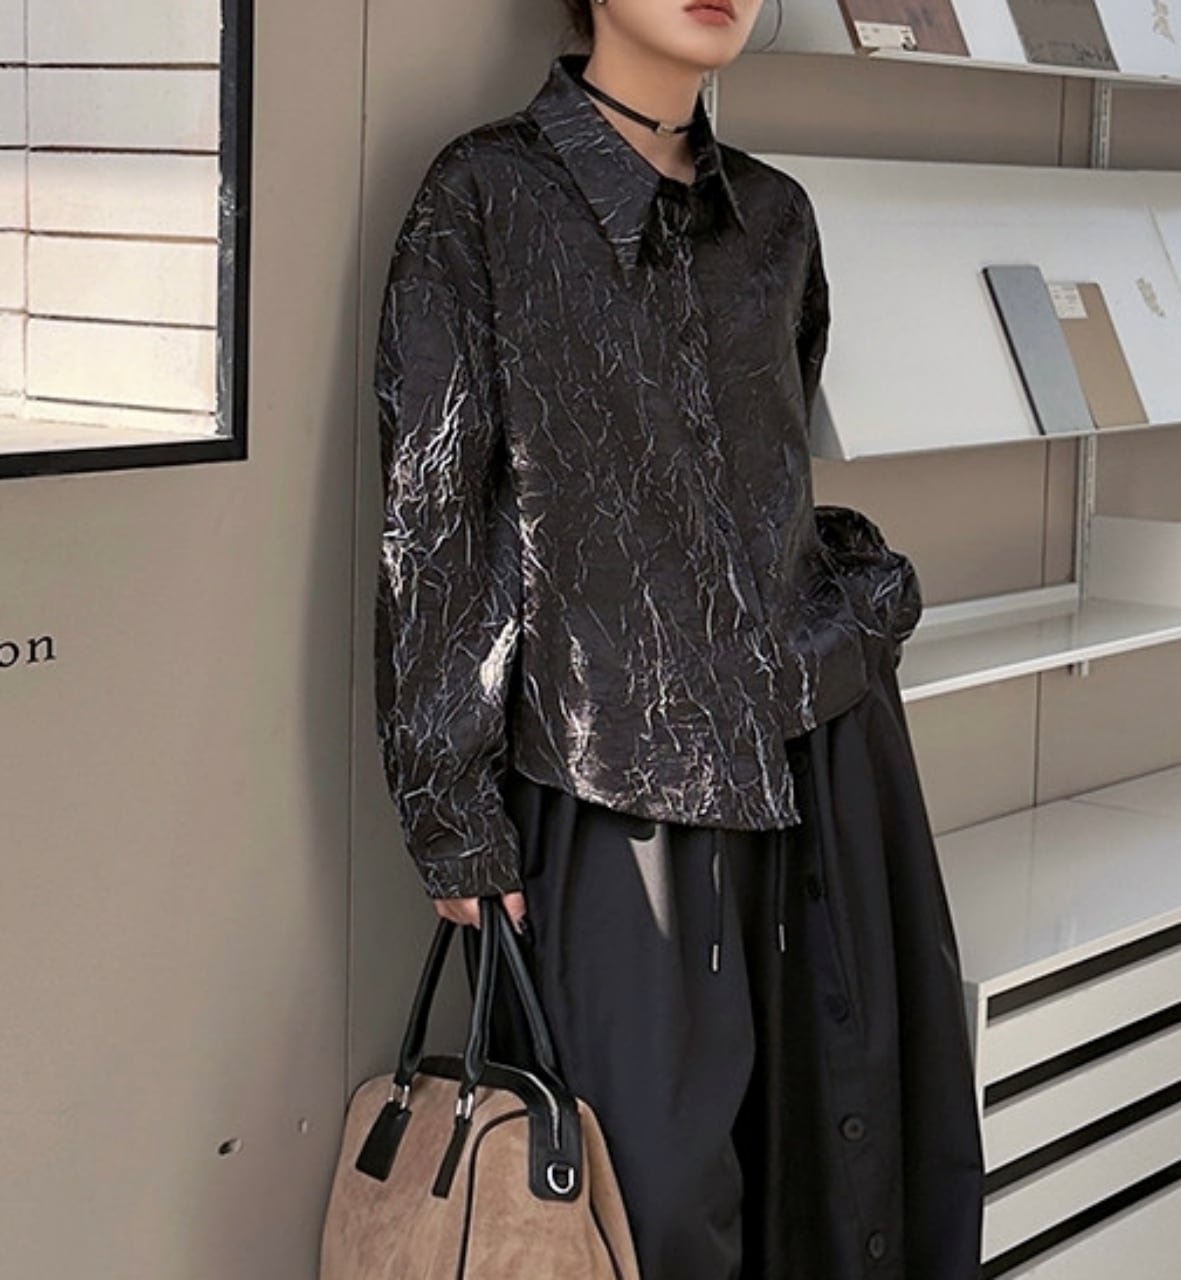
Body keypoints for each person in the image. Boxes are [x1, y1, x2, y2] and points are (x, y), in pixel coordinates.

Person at [372, 1, 986, 1276]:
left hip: (817, 759)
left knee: (842, 1166)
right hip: (612, 783)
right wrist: (448, 810)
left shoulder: (776, 217)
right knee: (647, 1205)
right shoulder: (484, 196)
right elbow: (432, 518)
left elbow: (773, 482)